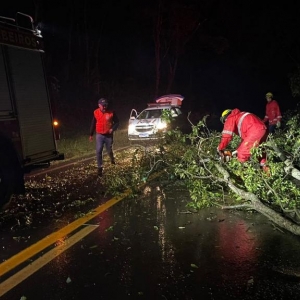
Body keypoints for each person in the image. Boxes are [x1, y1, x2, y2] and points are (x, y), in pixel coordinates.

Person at [89, 98, 119, 176]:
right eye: (103, 105)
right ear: (99, 105)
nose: (104, 107)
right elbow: (93, 123)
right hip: (99, 135)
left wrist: (113, 129)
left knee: (109, 150)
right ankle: (100, 168)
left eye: (106, 105)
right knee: (98, 151)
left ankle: (112, 159)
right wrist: (91, 134)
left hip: (108, 136)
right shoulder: (96, 112)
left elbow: (117, 122)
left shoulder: (111, 112)